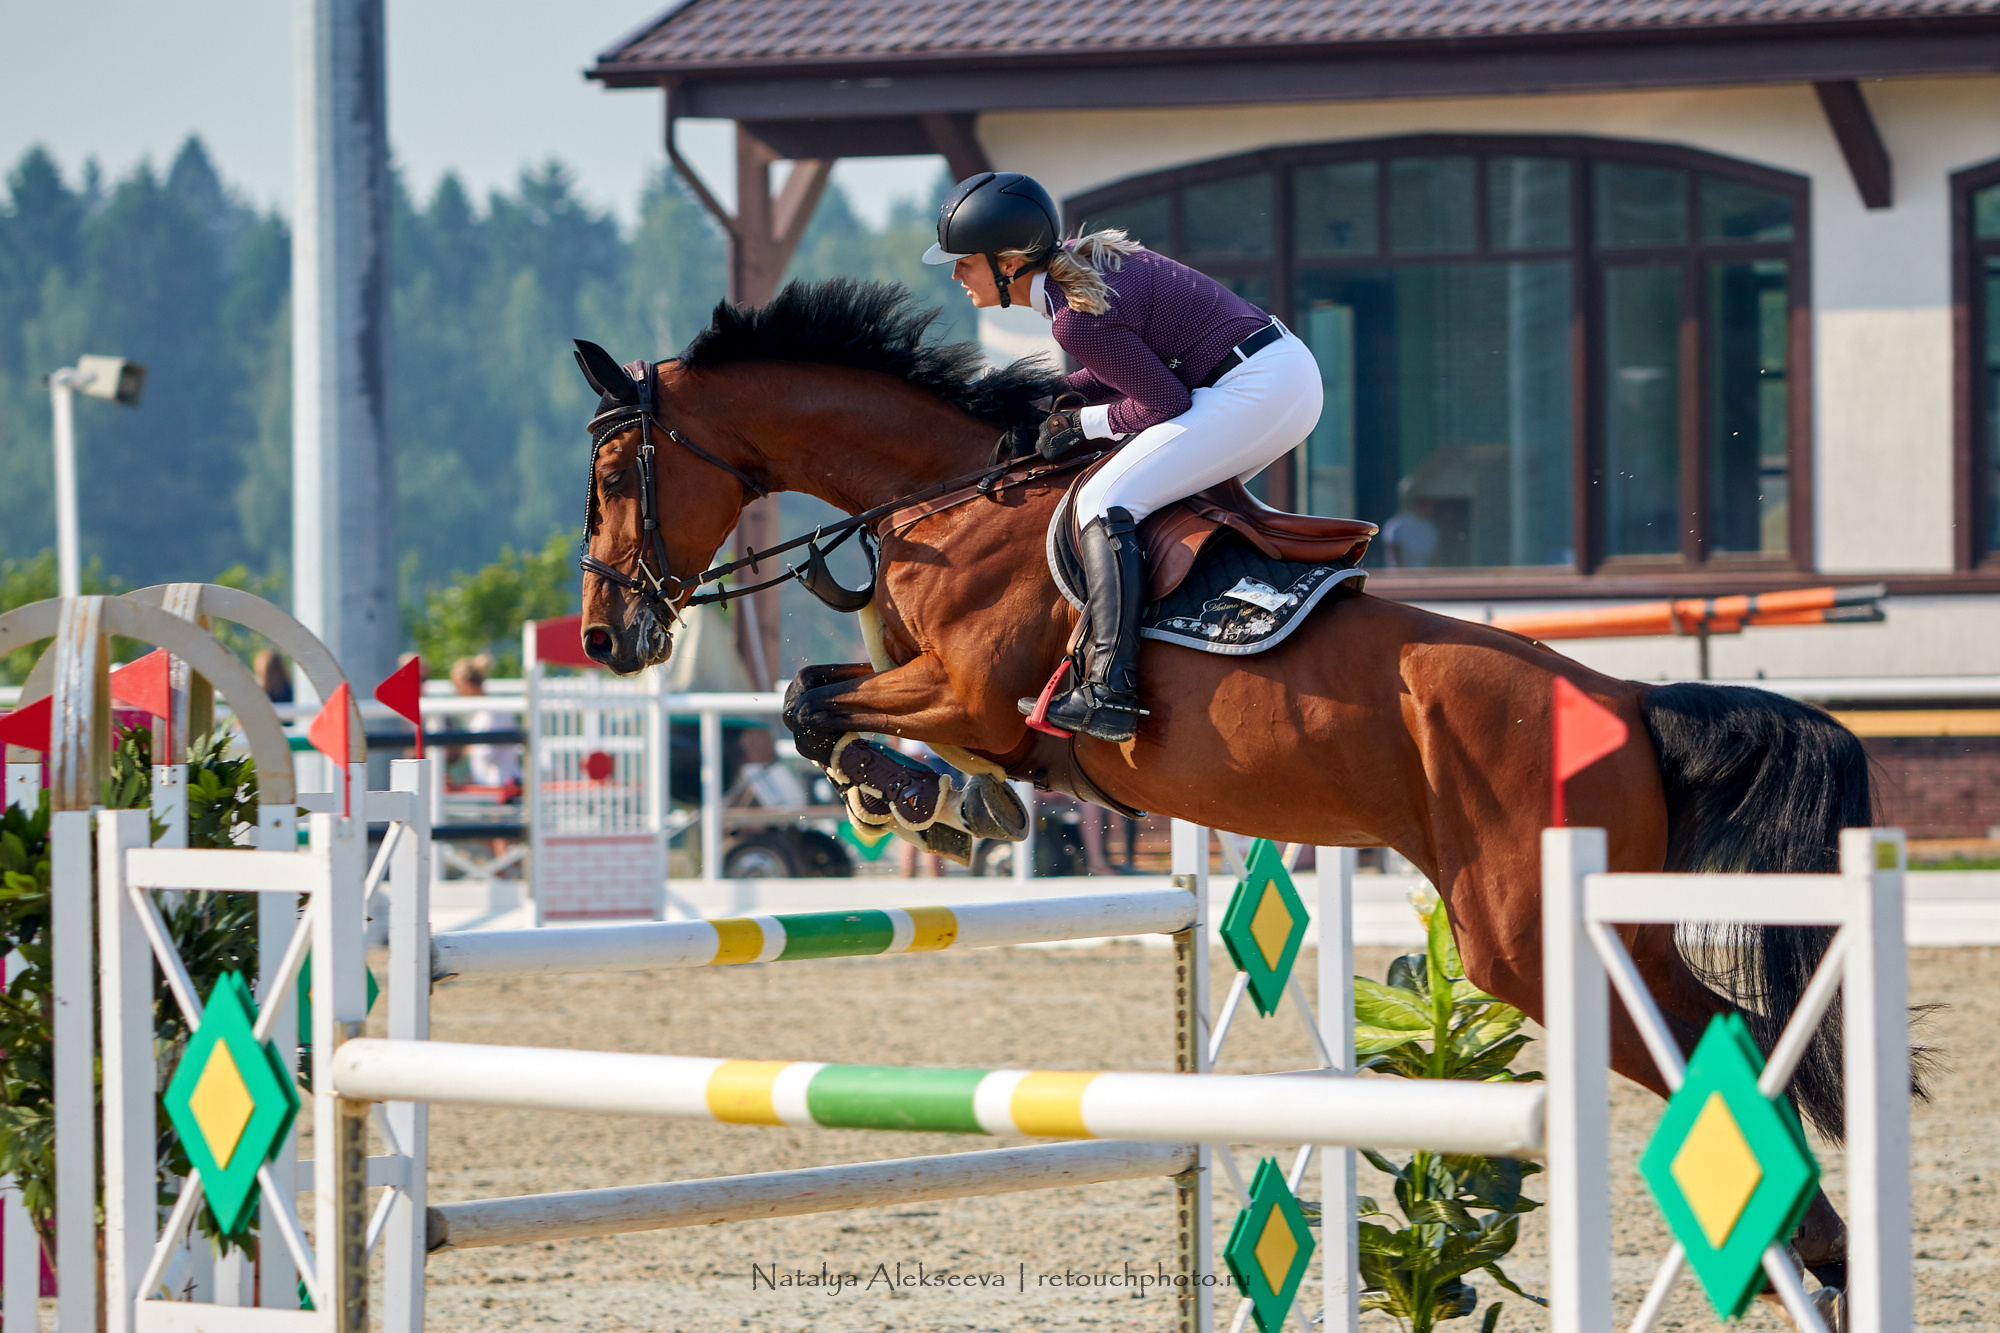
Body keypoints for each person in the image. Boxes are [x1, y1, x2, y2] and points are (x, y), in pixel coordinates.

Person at [925, 172, 1324, 742]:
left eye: (963, 262)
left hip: (1252, 389)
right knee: (1162, 500)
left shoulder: (1072, 315)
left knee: (1103, 499)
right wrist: (1054, 402)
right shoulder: (1085, 269)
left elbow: (1163, 400)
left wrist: (1078, 422)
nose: (957, 275)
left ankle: (1108, 690)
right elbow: (1127, 365)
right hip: (1278, 374)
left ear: (1008, 264)